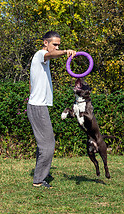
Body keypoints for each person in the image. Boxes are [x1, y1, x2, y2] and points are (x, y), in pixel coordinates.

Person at [27, 31, 76, 188]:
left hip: (38, 105)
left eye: (59, 45)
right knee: (48, 145)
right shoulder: (40, 54)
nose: (56, 47)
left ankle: (40, 176)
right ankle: (39, 181)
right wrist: (65, 52)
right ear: (45, 43)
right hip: (38, 106)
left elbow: (31, 82)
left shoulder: (41, 61)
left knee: (44, 144)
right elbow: (51, 55)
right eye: (54, 44)